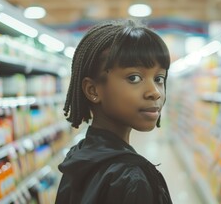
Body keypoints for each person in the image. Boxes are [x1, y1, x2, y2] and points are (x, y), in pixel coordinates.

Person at [55, 19, 173, 204]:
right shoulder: (132, 179)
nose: (155, 92)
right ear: (93, 90)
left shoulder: (79, 156)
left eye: (159, 78)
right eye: (134, 78)